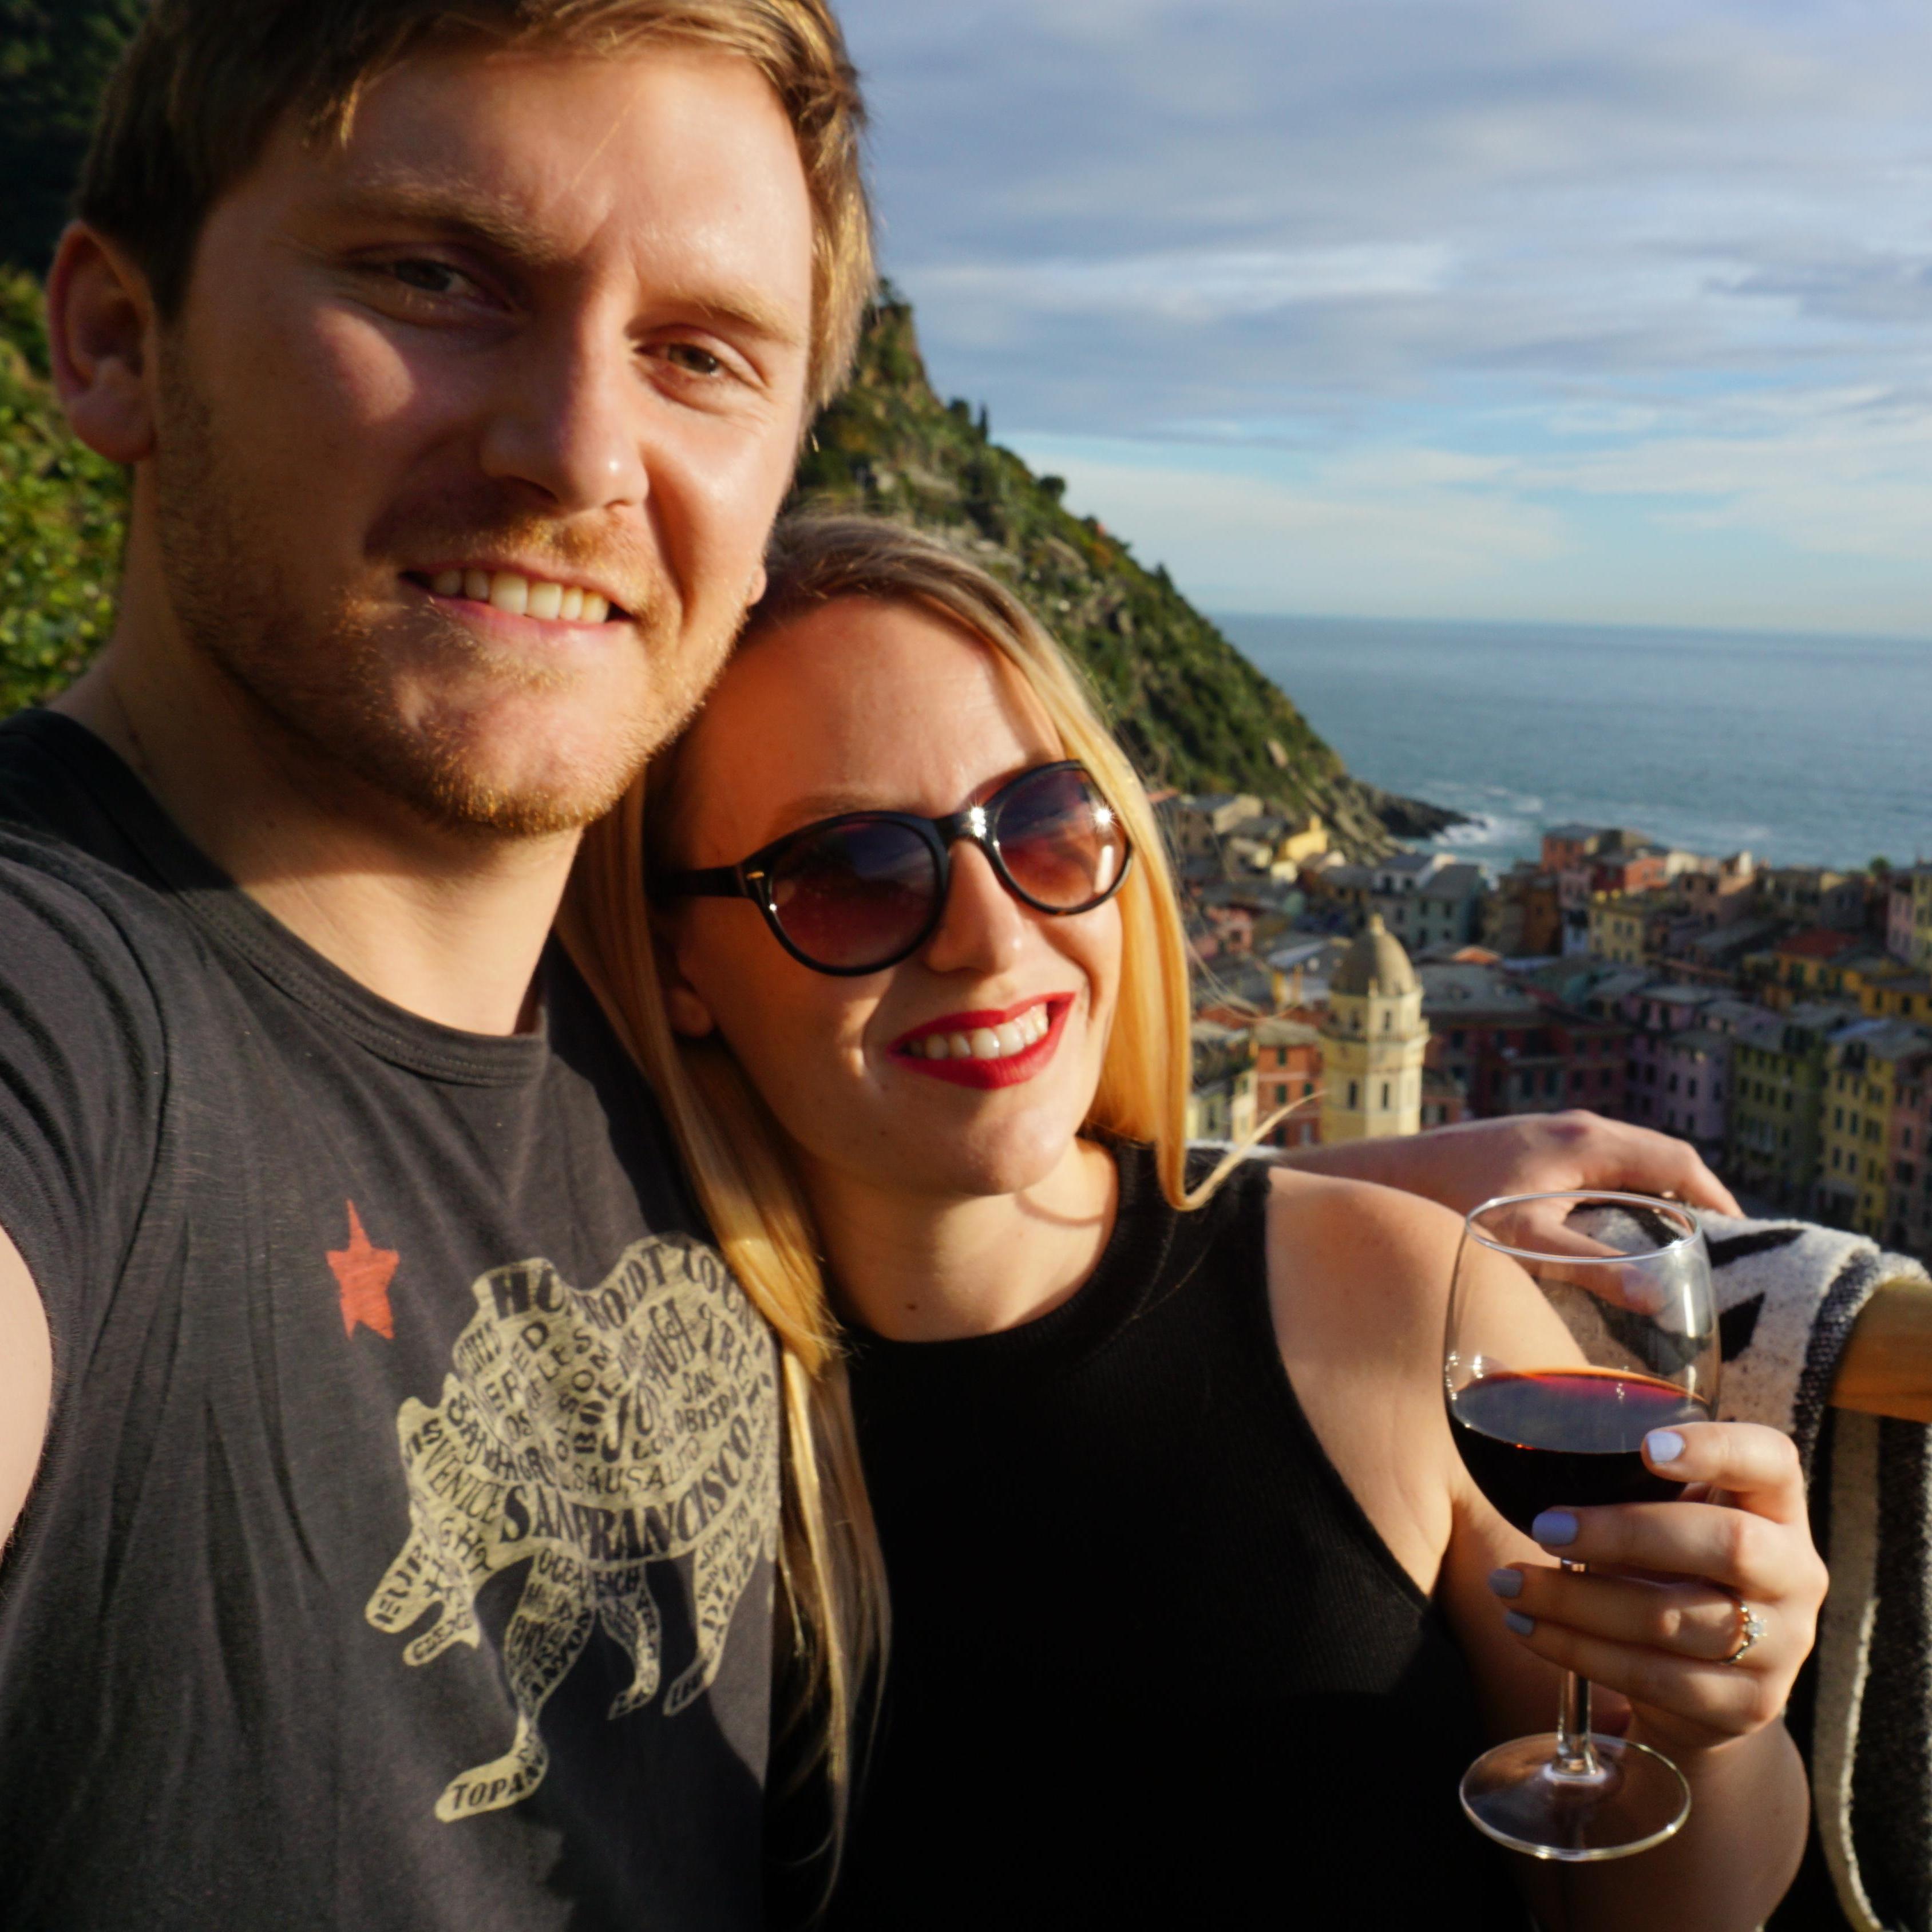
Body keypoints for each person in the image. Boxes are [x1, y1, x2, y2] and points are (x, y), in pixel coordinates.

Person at [0, 0, 1760, 1924]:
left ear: (755, 506)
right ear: (110, 337)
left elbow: (1018, 1250)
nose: (578, 442)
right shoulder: (69, 1022)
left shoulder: (631, 1085)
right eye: (432, 275)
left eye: (697, 353)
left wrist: (1296, 1208)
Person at [580, 513, 1828, 1931]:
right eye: (855, 869)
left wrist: (1707, 1722)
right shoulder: (612, 1401)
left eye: (1040, 826)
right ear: (676, 960)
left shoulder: (1392, 1297)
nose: (989, 935)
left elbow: (1676, 1908)